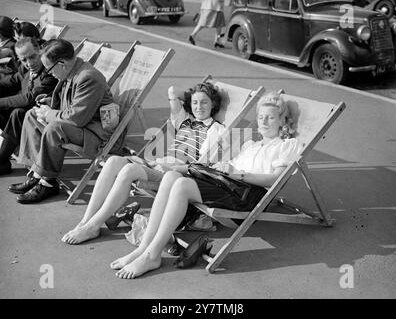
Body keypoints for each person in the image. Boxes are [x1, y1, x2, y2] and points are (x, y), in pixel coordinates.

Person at [111, 91, 301, 279]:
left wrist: (240, 175)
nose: (264, 121)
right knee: (171, 176)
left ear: (283, 121)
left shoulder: (286, 145)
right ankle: (145, 248)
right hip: (229, 185)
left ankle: (152, 255)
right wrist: (222, 167)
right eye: (261, 117)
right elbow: (229, 169)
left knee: (182, 186)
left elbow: (276, 179)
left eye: (270, 118)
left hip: (249, 196)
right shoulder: (250, 145)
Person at [61, 82, 226, 245]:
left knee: (129, 170)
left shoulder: (216, 129)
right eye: (195, 103)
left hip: (176, 174)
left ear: (214, 105)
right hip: (159, 165)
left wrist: (170, 167)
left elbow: (201, 167)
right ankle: (87, 220)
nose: (199, 107)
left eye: (204, 102)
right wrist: (194, 94)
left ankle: (93, 226)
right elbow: (172, 90)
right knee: (113, 161)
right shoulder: (184, 120)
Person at [8, 38, 114, 204]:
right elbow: (73, 103)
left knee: (55, 129)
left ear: (62, 64)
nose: (49, 74)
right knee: (31, 115)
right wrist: (50, 101)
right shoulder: (73, 71)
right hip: (83, 126)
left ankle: (48, 183)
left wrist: (50, 114)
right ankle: (37, 174)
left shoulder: (88, 78)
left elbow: (76, 118)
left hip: (96, 135)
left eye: (50, 70)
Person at [0, 37, 58, 175]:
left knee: (18, 113)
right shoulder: (25, 69)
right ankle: (3, 159)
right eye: (24, 60)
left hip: (44, 119)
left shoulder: (50, 71)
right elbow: (8, 82)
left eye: (32, 57)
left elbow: (30, 99)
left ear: (39, 50)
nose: (29, 63)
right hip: (24, 120)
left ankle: (1, 159)